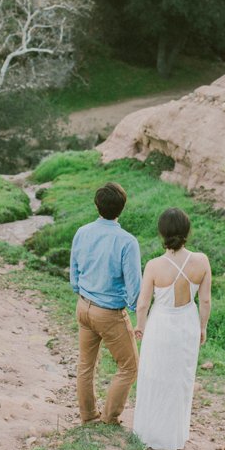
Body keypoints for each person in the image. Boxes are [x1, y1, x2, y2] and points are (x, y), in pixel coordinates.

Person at [132, 207, 212, 450]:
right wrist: (202, 327)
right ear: (187, 231)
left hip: (161, 323)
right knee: (181, 379)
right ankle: (175, 436)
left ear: (161, 233)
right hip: (186, 322)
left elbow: (143, 303)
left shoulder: (154, 265)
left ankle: (150, 432)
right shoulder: (202, 261)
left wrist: (140, 326)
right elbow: (206, 301)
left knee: (154, 375)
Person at [70, 182, 142, 425]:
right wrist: (136, 311)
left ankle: (88, 416)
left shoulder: (82, 232)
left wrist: (80, 291)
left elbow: (75, 271)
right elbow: (134, 286)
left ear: (96, 205)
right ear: (122, 208)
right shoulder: (127, 241)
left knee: (85, 365)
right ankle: (110, 418)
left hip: (83, 306)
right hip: (109, 312)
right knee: (130, 367)